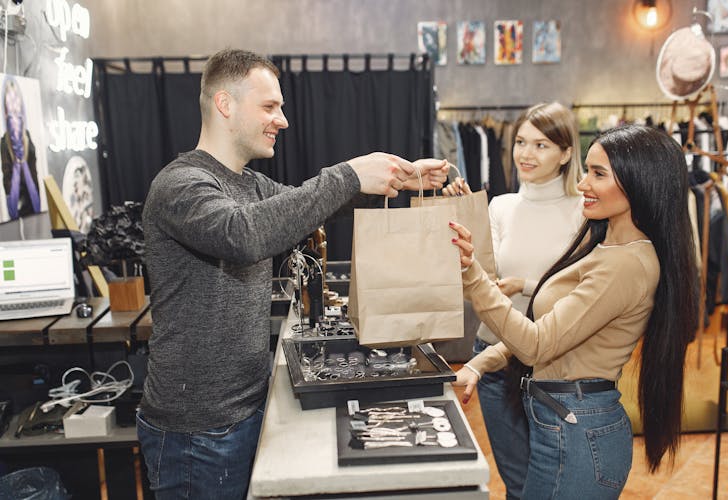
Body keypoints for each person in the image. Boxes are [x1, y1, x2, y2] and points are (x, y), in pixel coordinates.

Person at [138, 48, 448, 500]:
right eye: (269, 106)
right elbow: (242, 234)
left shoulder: (248, 182)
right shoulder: (180, 186)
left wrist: (398, 176)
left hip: (244, 410)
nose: (282, 120)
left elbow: (310, 205)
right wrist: (347, 174)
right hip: (196, 433)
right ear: (225, 105)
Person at [450, 124, 698, 498]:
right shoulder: (603, 245)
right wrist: (480, 363)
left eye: (598, 174)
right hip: (562, 423)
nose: (582, 184)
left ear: (640, 182)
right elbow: (551, 330)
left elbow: (536, 344)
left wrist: (472, 276)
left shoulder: (628, 264)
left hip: (577, 432)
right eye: (587, 170)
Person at [442, 102, 583, 499]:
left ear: (566, 153)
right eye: (521, 142)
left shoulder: (582, 211)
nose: (525, 153)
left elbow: (581, 290)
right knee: (515, 481)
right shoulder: (500, 205)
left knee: (548, 481)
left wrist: (525, 285)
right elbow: (479, 279)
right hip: (493, 352)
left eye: (541, 145)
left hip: (550, 360)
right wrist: (466, 212)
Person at [1, 75, 41, 220]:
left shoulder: (28, 139)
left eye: (16, 101)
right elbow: (7, 183)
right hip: (17, 207)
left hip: (32, 206)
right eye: (10, 102)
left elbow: (34, 175)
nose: (14, 107)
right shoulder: (5, 143)